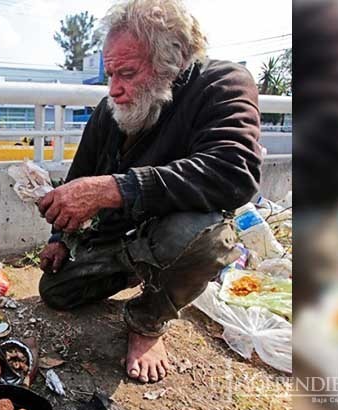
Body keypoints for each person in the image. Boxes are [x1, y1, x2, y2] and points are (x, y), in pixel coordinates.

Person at [37, 0, 262, 383]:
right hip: (120, 238)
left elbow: (234, 171)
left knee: (202, 235)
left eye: (127, 73)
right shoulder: (108, 111)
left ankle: (149, 320)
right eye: (110, 74)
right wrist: (59, 237)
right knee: (56, 291)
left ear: (172, 62)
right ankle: (138, 269)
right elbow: (79, 179)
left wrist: (115, 188)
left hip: (173, 234)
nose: (114, 89)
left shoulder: (222, 85)